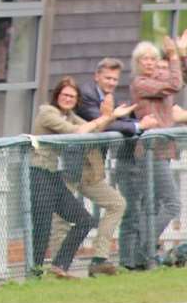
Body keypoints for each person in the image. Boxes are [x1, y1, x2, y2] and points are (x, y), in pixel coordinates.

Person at [32, 76, 134, 277]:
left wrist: (112, 116)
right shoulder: (47, 113)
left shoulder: (69, 115)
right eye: (64, 95)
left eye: (72, 96)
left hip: (53, 175)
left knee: (84, 220)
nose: (68, 99)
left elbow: (93, 128)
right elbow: (76, 132)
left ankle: (59, 266)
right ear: (57, 95)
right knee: (42, 226)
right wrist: (107, 116)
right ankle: (34, 274)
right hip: (38, 173)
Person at [75, 57, 160, 271]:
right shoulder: (86, 94)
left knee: (116, 204)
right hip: (71, 164)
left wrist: (136, 124)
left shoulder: (109, 96)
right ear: (97, 76)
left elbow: (120, 121)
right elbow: (105, 123)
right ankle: (56, 269)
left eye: (115, 79)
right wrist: (138, 124)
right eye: (107, 78)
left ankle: (99, 259)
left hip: (92, 166)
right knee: (62, 220)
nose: (112, 82)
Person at [129, 35, 186, 262]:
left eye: (154, 59)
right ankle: (144, 249)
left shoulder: (158, 78)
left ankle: (142, 254)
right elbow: (174, 84)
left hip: (164, 150)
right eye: (145, 60)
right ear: (138, 64)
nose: (151, 63)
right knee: (172, 203)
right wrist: (173, 56)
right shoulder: (141, 84)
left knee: (152, 205)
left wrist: (180, 54)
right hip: (151, 151)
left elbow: (177, 78)